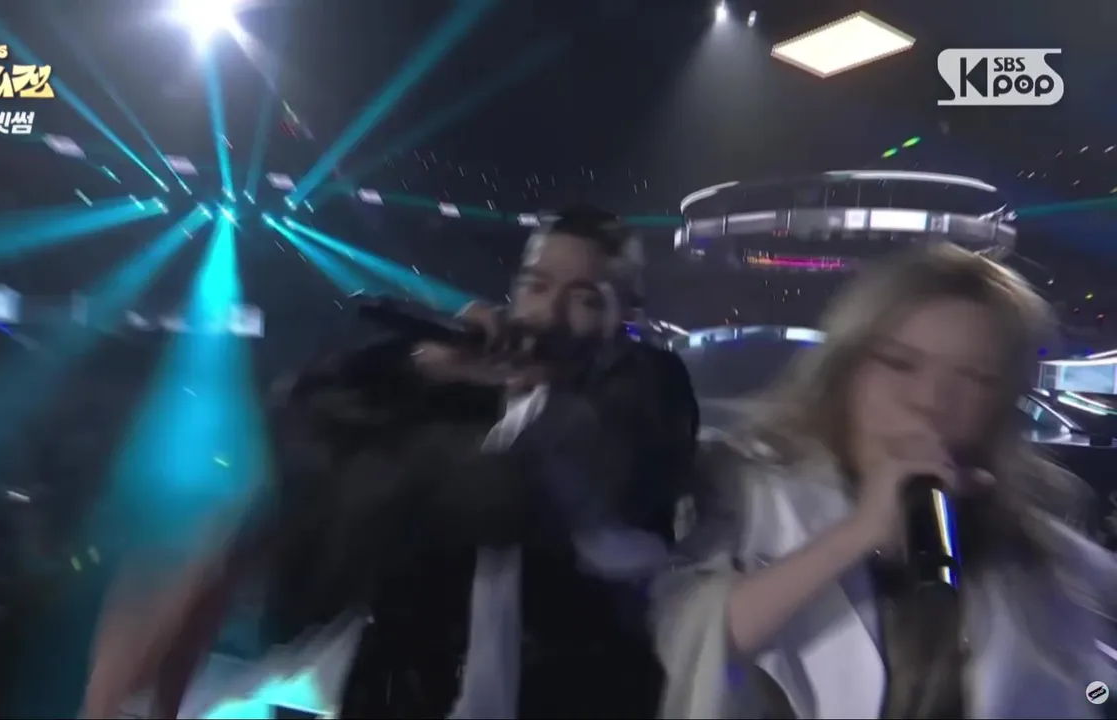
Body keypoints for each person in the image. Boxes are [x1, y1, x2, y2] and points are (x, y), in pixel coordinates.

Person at [80, 206, 700, 718]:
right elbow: (302, 407)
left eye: (584, 298)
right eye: (536, 287)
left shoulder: (647, 386)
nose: (547, 315)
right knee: (221, 516)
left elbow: (521, 489)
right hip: (407, 691)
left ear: (627, 314)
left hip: (564, 693)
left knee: (273, 504)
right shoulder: (476, 392)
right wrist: (424, 365)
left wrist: (358, 490)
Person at [654, 243, 1117, 719]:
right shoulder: (745, 489)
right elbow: (689, 639)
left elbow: (1090, 690)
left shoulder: (1046, 557)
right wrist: (859, 532)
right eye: (899, 364)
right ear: (846, 370)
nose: (931, 400)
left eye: (975, 377)